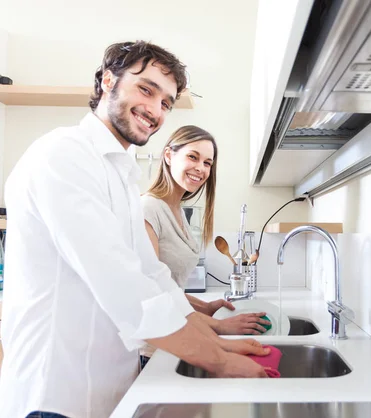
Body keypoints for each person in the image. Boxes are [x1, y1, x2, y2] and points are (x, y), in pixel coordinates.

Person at [0, 41, 268, 418]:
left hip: (106, 394)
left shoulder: (120, 173)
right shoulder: (63, 155)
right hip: (54, 398)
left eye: (167, 103)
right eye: (146, 89)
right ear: (108, 80)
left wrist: (216, 341)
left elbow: (151, 274)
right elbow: (118, 280)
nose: (156, 110)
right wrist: (217, 359)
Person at [139, 126, 270, 366]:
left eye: (208, 163)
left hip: (178, 338)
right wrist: (218, 326)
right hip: (155, 349)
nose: (201, 168)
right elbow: (152, 293)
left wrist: (205, 307)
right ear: (168, 156)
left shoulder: (177, 211)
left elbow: (170, 288)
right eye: (193, 156)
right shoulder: (148, 209)